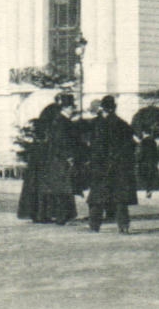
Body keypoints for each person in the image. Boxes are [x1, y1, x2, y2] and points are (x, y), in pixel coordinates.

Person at [16, 95, 77, 224]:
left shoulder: (48, 117)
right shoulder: (59, 121)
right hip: (51, 157)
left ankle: (40, 214)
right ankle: (57, 214)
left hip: (41, 157)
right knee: (57, 186)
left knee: (40, 187)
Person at [86, 95, 138, 233]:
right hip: (118, 166)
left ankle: (94, 225)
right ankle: (123, 225)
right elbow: (131, 145)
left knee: (97, 197)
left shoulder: (96, 124)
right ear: (114, 108)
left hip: (100, 166)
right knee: (119, 198)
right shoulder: (122, 123)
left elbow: (93, 145)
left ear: (102, 108)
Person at [135, 131, 159, 198]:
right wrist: (156, 161)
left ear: (144, 133)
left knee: (144, 176)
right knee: (151, 176)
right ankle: (149, 189)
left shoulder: (143, 142)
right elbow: (156, 152)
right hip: (152, 162)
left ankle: (147, 189)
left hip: (144, 162)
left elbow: (141, 152)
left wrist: (138, 160)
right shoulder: (153, 141)